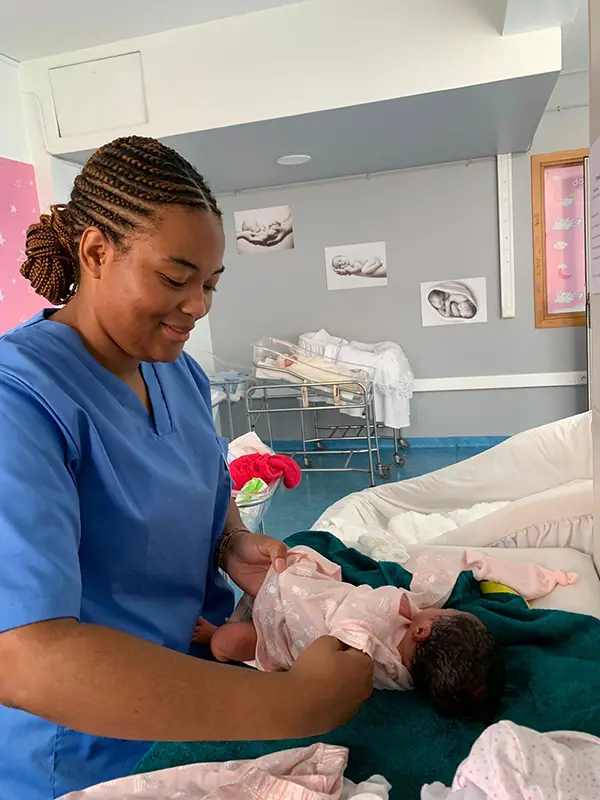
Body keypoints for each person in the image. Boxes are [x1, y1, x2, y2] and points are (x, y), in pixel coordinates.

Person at [0, 136, 373, 800]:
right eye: (175, 279)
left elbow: (205, 479)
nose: (198, 305)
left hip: (205, 687)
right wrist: (301, 704)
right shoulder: (19, 401)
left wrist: (232, 543)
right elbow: (27, 658)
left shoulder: (177, 376)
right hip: (91, 754)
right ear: (94, 252)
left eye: (209, 283)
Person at [202, 547, 506, 721]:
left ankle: (222, 625)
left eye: (448, 612)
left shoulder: (366, 645)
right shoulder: (410, 675)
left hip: (301, 625)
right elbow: (431, 592)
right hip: (286, 646)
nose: (444, 607)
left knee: (282, 576)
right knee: (233, 641)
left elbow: (351, 643)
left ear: (423, 631)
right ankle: (229, 629)